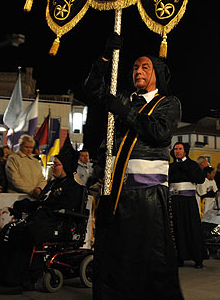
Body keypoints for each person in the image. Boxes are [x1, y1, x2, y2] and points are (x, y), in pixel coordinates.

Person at [84, 34, 183, 300]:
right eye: (135, 67)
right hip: (116, 193)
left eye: (144, 67)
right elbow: (93, 88)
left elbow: (159, 132)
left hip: (148, 197)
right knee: (115, 256)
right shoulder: (125, 98)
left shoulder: (168, 103)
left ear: (156, 74)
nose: (137, 71)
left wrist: (123, 112)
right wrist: (104, 58)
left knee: (149, 258)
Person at [0, 157, 81, 291]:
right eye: (53, 164)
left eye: (56, 164)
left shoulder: (72, 187)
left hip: (55, 223)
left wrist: (42, 210)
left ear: (65, 166)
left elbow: (62, 208)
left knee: (26, 233)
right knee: (9, 229)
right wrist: (24, 205)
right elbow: (40, 203)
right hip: (40, 219)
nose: (53, 167)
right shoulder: (52, 184)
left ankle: (21, 280)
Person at [169, 142, 205, 269]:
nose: (177, 151)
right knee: (177, 228)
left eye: (180, 149)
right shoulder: (171, 166)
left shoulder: (192, 164)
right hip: (174, 200)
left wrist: (187, 168)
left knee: (192, 227)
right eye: (175, 149)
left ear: (185, 151)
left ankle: (198, 258)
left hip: (188, 201)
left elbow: (200, 179)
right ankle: (180, 257)